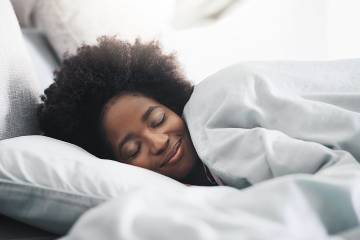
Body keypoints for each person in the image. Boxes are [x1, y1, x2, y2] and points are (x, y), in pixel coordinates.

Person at [38, 36, 360, 189]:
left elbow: (335, 174)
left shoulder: (211, 121)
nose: (159, 141)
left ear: (172, 103)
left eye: (158, 119)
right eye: (132, 148)